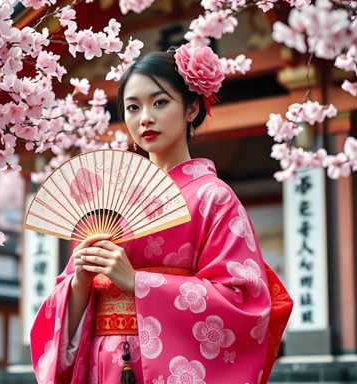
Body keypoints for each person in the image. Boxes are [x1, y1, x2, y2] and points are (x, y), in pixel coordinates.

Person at [30, 44, 293, 384]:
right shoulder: (112, 199)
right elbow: (65, 308)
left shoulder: (214, 198)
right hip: (100, 364)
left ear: (191, 108)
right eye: (132, 107)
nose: (145, 118)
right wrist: (80, 281)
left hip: (164, 367)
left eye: (160, 102)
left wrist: (138, 282)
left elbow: (244, 300)